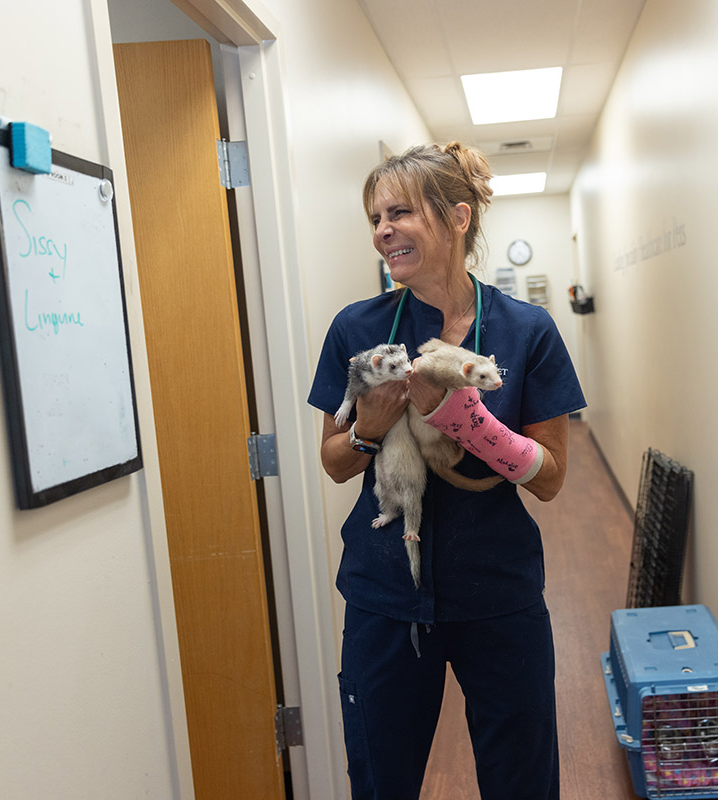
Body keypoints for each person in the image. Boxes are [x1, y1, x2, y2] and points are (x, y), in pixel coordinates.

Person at [307, 142, 585, 800]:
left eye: (399, 212)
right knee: (380, 782)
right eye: (375, 218)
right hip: (385, 596)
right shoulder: (358, 328)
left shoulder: (527, 330)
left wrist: (468, 420)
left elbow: (548, 478)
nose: (382, 231)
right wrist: (370, 430)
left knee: (522, 782)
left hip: (497, 594)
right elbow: (333, 461)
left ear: (459, 217)